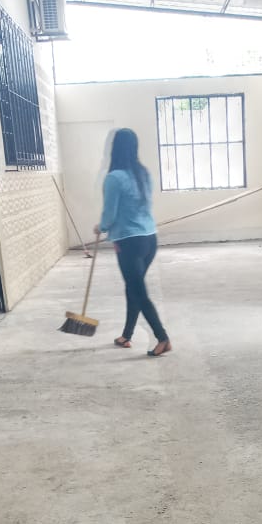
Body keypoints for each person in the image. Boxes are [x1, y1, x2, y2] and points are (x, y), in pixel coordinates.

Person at [94, 128, 171, 357]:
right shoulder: (143, 173)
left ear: (114, 149)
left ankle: (163, 338)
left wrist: (101, 227)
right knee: (133, 288)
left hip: (129, 242)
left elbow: (109, 214)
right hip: (149, 239)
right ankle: (127, 335)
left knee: (138, 292)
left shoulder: (114, 178)